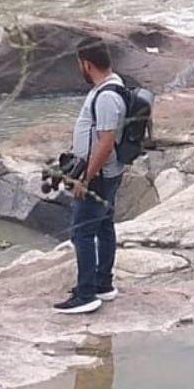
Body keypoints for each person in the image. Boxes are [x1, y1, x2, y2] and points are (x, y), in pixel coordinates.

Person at [54, 39, 128, 314]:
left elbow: (105, 141)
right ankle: (102, 284)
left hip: (99, 175)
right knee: (104, 226)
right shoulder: (112, 86)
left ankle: (86, 294)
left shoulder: (106, 96)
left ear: (86, 63)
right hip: (107, 172)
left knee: (82, 232)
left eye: (79, 64)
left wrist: (86, 178)